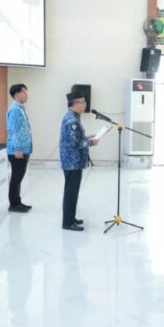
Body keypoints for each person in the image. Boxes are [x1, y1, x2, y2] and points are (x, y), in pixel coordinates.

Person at [60, 91, 97, 231]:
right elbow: (74, 144)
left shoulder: (74, 117)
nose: (85, 104)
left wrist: (87, 138)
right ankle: (68, 222)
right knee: (71, 192)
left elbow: (76, 139)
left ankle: (71, 218)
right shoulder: (72, 120)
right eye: (83, 102)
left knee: (72, 192)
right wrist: (91, 143)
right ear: (75, 103)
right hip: (72, 162)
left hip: (73, 161)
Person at [6, 83, 33, 212]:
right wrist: (17, 148)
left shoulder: (20, 108)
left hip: (23, 149)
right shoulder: (15, 110)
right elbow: (13, 130)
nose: (27, 95)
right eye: (25, 92)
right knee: (16, 178)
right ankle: (13, 204)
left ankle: (18, 201)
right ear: (17, 94)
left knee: (19, 177)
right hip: (17, 151)